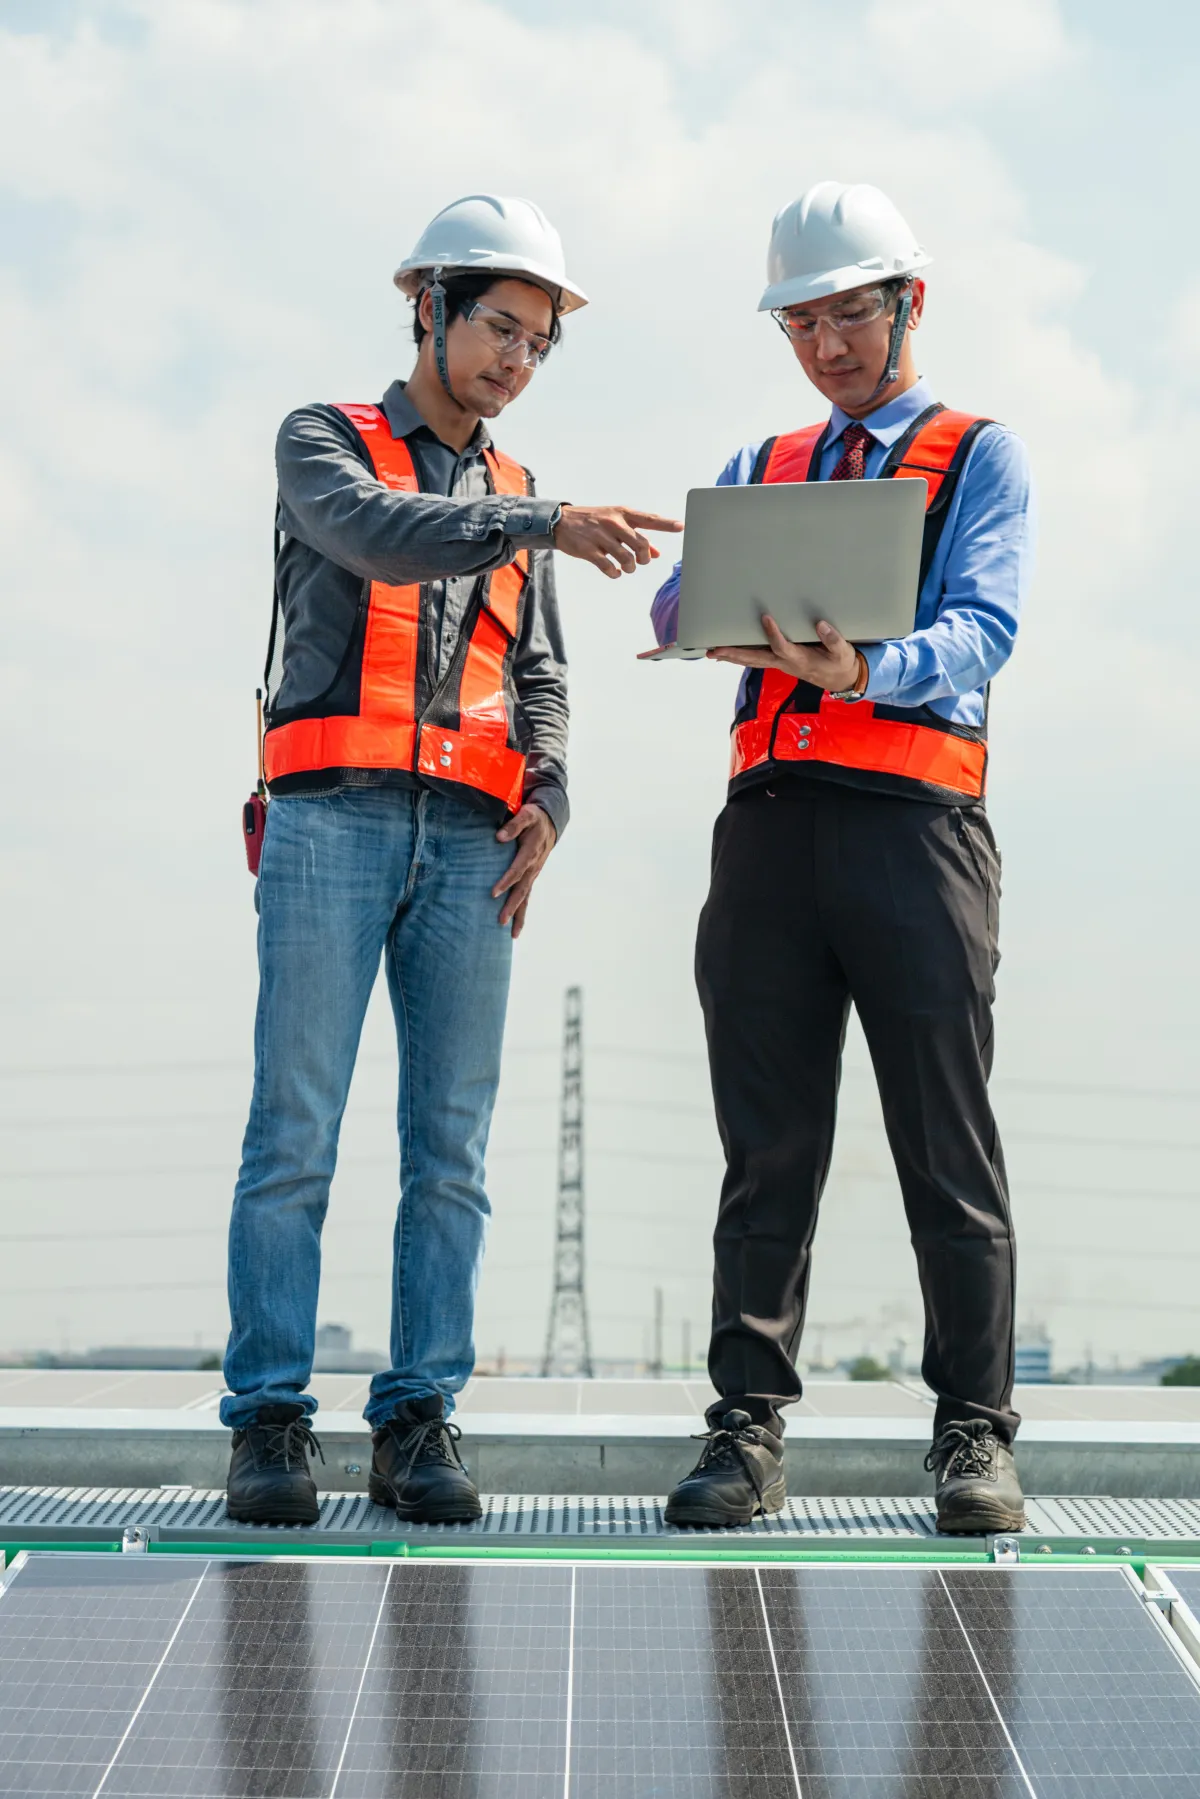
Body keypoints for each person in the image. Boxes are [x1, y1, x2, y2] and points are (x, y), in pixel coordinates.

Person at [223, 193, 681, 1526]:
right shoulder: (325, 442)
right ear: (428, 308)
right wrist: (539, 525)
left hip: (474, 844)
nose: (516, 361)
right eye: (499, 327)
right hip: (330, 819)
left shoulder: (525, 500)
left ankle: (418, 1417)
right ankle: (269, 1420)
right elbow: (377, 535)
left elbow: (540, 676)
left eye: (539, 341)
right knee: (294, 1132)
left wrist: (551, 796)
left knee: (452, 1150)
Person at [654, 182, 1035, 1534]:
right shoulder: (761, 462)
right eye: (801, 324)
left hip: (917, 831)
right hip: (767, 831)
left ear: (909, 302)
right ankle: (745, 1430)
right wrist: (704, 606)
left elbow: (986, 626)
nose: (825, 346)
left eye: (848, 316)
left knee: (946, 1143)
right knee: (765, 1149)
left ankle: (975, 1435)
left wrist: (867, 668)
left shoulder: (977, 454)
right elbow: (675, 600)